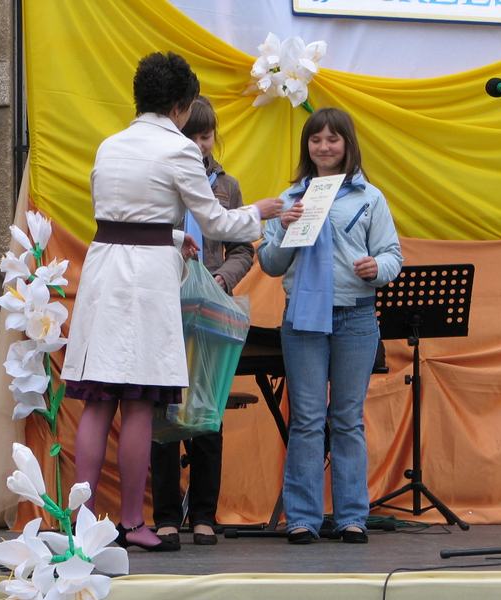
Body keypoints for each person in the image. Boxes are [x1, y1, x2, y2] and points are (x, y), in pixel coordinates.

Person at [61, 52, 282, 552]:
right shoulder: (179, 149)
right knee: (139, 402)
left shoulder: (110, 146)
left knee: (98, 401)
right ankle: (132, 522)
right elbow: (218, 221)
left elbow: (121, 216)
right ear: (181, 106)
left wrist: (173, 236)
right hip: (144, 282)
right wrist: (260, 211)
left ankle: (80, 523)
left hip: (103, 272)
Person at [257, 108, 402, 545]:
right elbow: (270, 264)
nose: (323, 146)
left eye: (332, 139)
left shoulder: (369, 198)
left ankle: (352, 517)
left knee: (347, 418)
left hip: (356, 315)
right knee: (306, 418)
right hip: (303, 318)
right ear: (307, 146)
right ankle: (302, 518)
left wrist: (377, 267)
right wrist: (285, 229)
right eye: (315, 139)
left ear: (347, 144)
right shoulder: (289, 200)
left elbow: (392, 256)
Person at [150, 96, 254, 549]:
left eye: (205, 135)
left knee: (207, 412)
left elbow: (244, 248)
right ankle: (166, 514)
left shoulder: (227, 187)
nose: (197, 144)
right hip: (164, 309)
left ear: (214, 137)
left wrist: (221, 278)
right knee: (164, 412)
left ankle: (205, 514)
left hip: (209, 313)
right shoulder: (159, 179)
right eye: (189, 135)